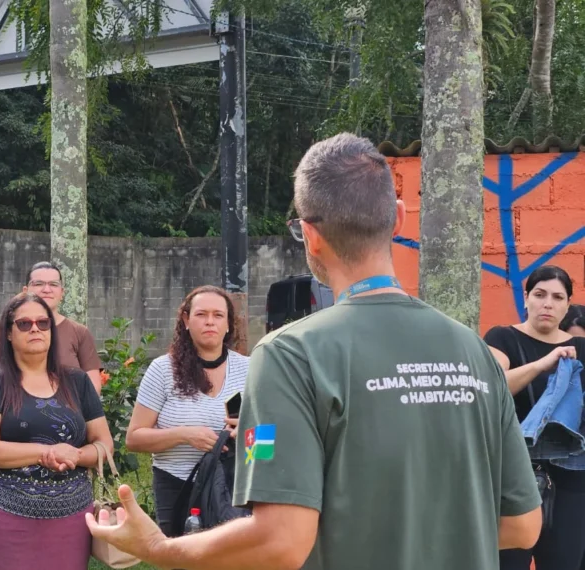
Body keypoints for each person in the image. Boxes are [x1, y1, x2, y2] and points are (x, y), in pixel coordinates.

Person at [86, 132, 542, 570]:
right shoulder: (473, 349)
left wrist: (160, 548)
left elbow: (281, 542)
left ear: (310, 235)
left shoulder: (289, 354)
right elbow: (523, 525)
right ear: (399, 218)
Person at [0, 293, 113, 570]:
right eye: (24, 324)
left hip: (73, 518)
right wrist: (45, 452)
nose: (35, 328)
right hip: (10, 518)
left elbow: (104, 444)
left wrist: (74, 455)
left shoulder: (77, 381)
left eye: (43, 322)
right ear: (9, 333)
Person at [125, 285, 248, 535]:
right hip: (176, 488)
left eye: (218, 315)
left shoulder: (250, 369)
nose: (210, 322)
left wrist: (247, 434)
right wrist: (184, 435)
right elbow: (134, 439)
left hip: (232, 486)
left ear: (228, 324)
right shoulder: (162, 370)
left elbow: (269, 441)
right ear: (186, 320)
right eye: (201, 314)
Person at [484, 266, 585, 570]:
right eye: (540, 295)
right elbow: (491, 386)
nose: (547, 304)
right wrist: (543, 364)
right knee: (508, 563)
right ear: (526, 298)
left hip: (571, 478)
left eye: (557, 297)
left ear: (567, 305)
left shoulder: (580, 348)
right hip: (514, 474)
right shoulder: (502, 337)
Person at [0, 262, 102, 393]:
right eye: (38, 284)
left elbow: (93, 385)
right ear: (25, 291)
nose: (46, 290)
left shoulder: (80, 332)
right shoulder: (9, 329)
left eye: (53, 284)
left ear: (62, 293)